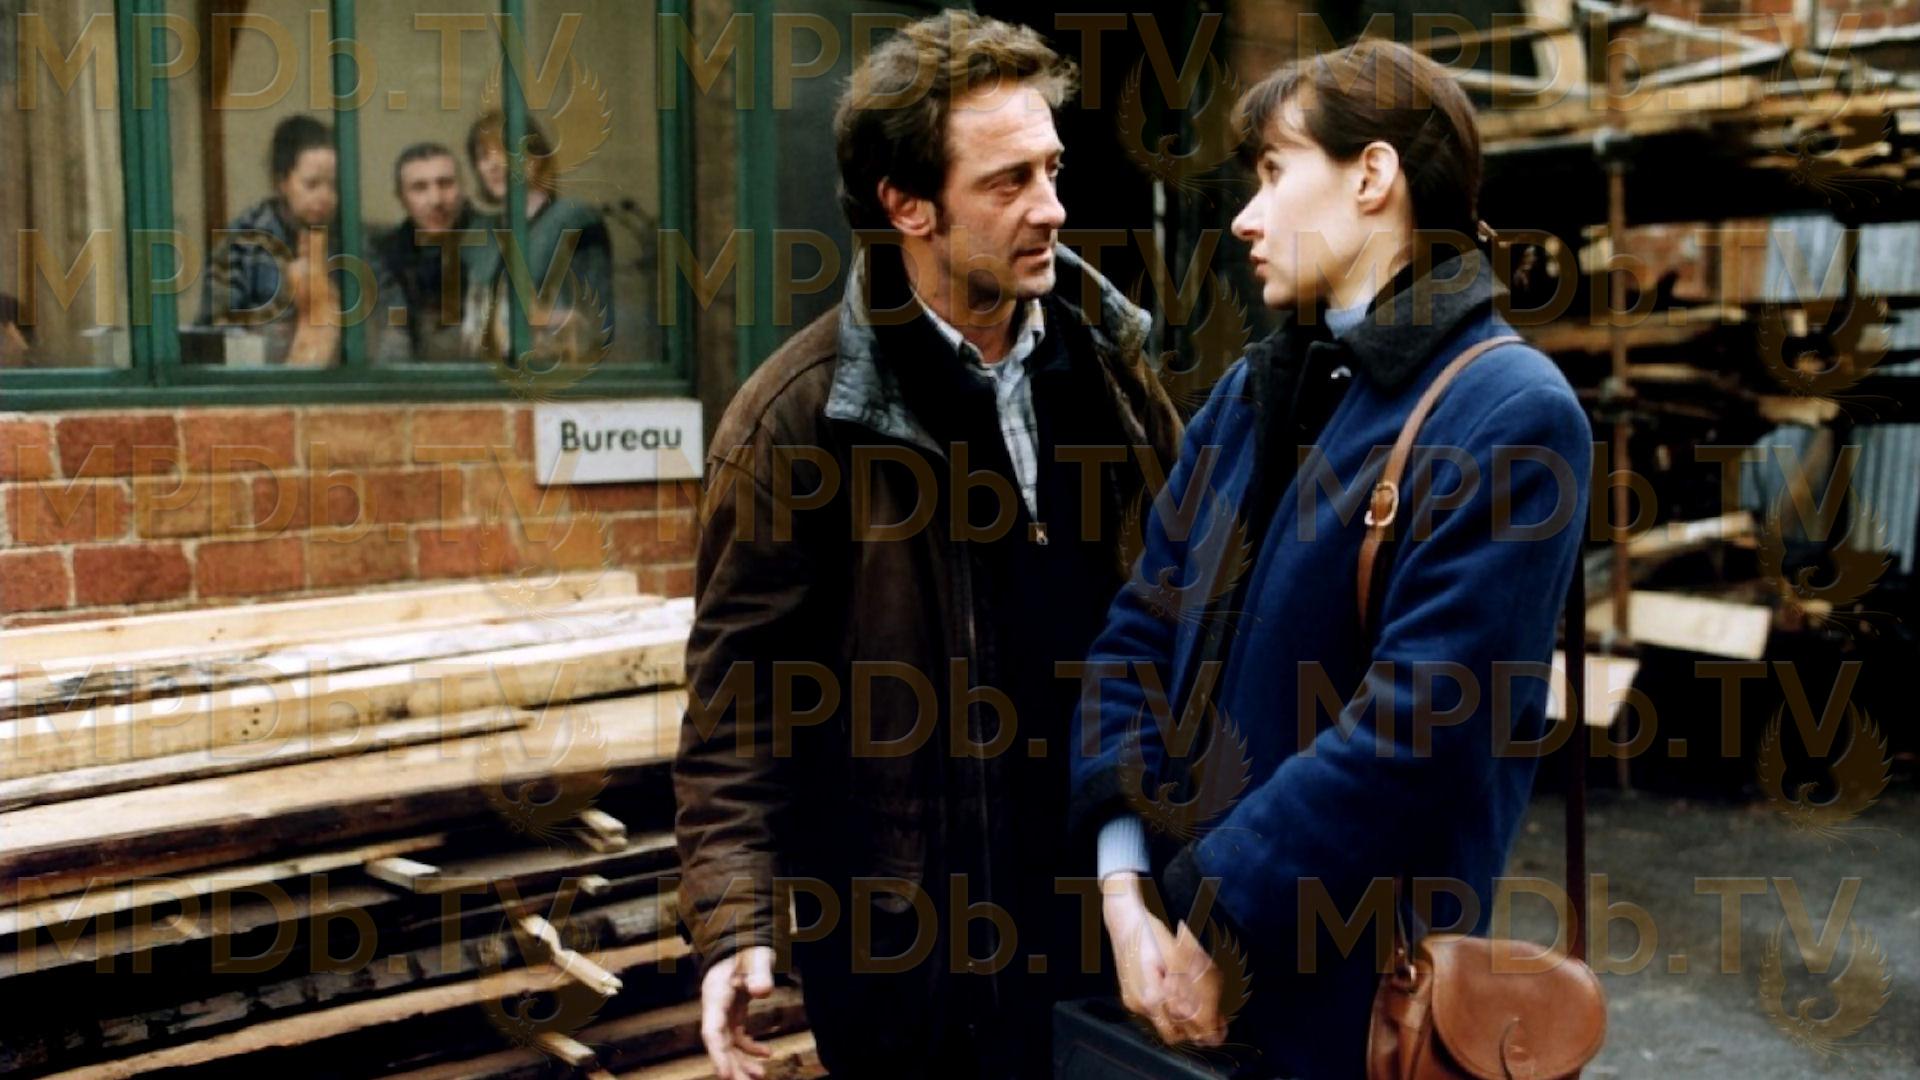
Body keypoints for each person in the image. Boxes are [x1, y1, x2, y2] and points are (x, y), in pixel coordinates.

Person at [1069, 39, 1592, 1079]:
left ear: (1372, 176)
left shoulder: (1512, 415)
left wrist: (1216, 919)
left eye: (1273, 173)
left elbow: (1416, 730)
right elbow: (1135, 635)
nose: (1245, 217)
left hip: (1353, 1012)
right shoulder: (1252, 394)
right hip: (1169, 978)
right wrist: (1125, 893)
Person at [673, 13, 1182, 1080]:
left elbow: (1194, 625)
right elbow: (738, 713)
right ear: (908, 206)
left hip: (1120, 941)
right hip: (915, 978)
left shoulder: (1117, 373)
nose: (1052, 207)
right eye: (1008, 182)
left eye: (1051, 169)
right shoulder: (797, 421)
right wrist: (735, 923)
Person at [460, 111, 612, 367]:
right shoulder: (481, 233)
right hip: (486, 375)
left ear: (536, 158)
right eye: (483, 156)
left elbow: (595, 321)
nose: (492, 164)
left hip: (553, 374)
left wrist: (545, 320)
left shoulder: (573, 220)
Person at [198, 114, 341, 366]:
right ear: (281, 182)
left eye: (333, 185)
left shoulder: (351, 237)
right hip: (262, 379)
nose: (325, 196)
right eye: (312, 184)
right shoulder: (243, 242)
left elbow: (387, 324)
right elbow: (214, 332)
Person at [372, 142, 477, 359]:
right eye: (419, 188)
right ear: (401, 197)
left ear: (462, 187)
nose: (436, 200)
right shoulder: (386, 255)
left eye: (445, 184)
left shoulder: (492, 244)